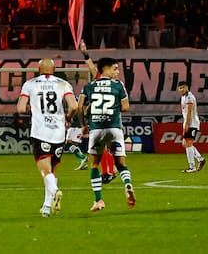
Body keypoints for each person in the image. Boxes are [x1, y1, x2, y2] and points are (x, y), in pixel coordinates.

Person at [77, 41, 136, 212]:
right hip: (114, 128)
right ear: (106, 69)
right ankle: (127, 184)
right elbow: (125, 107)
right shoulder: (118, 85)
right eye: (115, 69)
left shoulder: (90, 85)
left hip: (95, 129)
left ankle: (99, 200)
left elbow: (79, 107)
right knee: (122, 165)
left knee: (94, 164)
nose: (118, 72)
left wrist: (83, 125)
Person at [16, 58, 78, 218]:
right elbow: (74, 106)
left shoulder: (30, 84)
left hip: (40, 131)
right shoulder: (63, 84)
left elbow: (21, 108)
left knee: (45, 170)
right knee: (52, 171)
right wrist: (68, 118)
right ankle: (46, 207)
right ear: (54, 69)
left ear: (38, 69)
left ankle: (56, 191)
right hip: (58, 132)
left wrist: (32, 107)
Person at [178, 82, 206, 173]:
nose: (182, 89)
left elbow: (189, 111)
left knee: (188, 144)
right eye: (180, 88)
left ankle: (192, 166)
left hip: (191, 123)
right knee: (185, 144)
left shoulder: (189, 97)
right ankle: (200, 159)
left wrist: (186, 124)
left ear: (187, 87)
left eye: (183, 87)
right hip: (188, 122)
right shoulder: (183, 97)